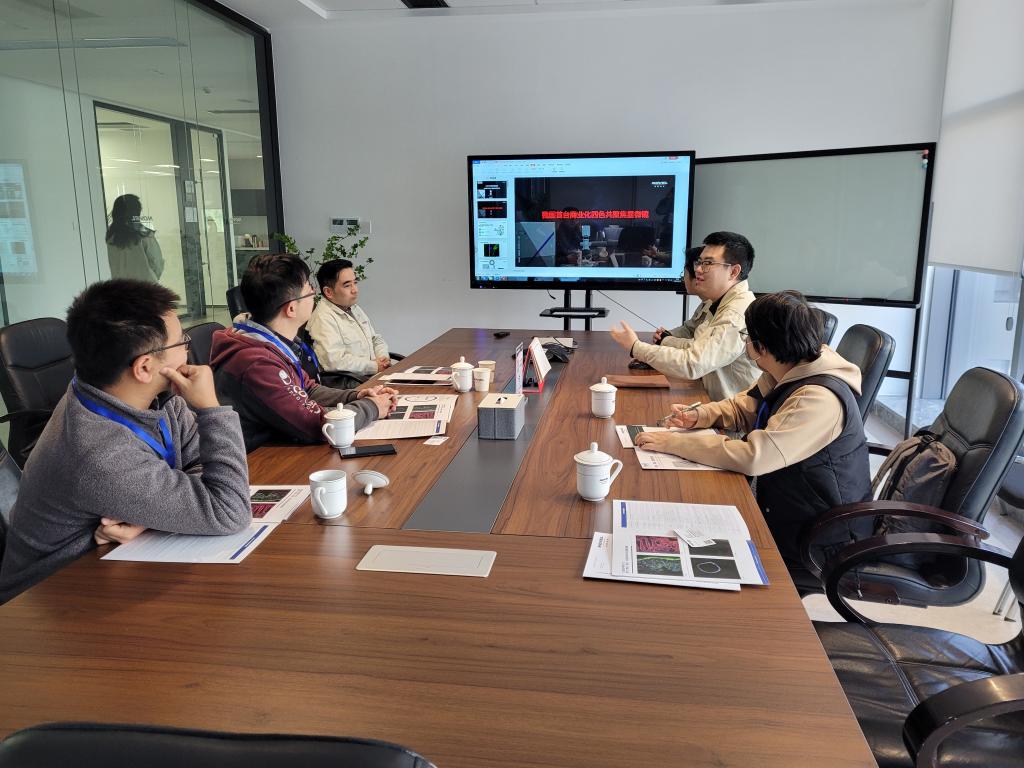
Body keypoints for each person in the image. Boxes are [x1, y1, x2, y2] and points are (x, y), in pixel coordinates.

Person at [0, 280, 252, 603]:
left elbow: (199, 466)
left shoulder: (142, 395)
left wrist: (152, 513)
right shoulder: (99, 452)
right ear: (145, 367)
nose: (188, 351)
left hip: (112, 566)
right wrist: (211, 409)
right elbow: (229, 509)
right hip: (50, 599)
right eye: (182, 342)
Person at [635, 291, 871, 567]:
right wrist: (700, 415)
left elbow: (754, 456)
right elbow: (747, 406)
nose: (745, 343)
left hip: (818, 540)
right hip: (783, 506)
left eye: (748, 337)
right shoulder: (790, 366)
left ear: (762, 346)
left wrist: (673, 443)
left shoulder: (818, 398)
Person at [211, 253, 397, 452]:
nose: (315, 295)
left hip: (285, 443)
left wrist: (356, 395)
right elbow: (319, 426)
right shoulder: (257, 364)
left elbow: (307, 389)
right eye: (309, 291)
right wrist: (372, 407)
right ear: (291, 309)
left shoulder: (272, 342)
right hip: (264, 458)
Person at [609, 231, 759, 401]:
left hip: (731, 414)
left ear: (733, 272)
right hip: (714, 404)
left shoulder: (735, 315)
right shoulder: (720, 303)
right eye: (699, 262)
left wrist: (636, 347)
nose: (698, 270)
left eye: (708, 263)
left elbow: (692, 363)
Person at [305, 259, 391, 381]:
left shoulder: (353, 308)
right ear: (328, 292)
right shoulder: (322, 318)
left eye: (355, 282)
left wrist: (383, 359)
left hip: (373, 375)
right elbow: (335, 361)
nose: (355, 290)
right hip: (351, 383)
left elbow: (375, 339)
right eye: (347, 285)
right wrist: (374, 366)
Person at [106, 194, 164, 283]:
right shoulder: (144, 234)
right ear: (137, 213)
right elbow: (157, 263)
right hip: (145, 286)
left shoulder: (109, 237)